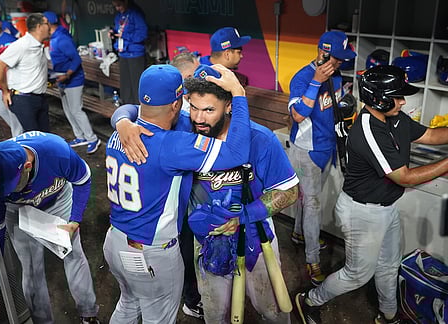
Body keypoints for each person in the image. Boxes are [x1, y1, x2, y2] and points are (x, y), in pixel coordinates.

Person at [112, 64, 300, 323]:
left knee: (272, 311)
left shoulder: (260, 140)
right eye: (194, 108)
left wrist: (244, 215)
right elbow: (137, 108)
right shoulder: (182, 130)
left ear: (229, 105)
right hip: (206, 244)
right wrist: (122, 121)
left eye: (210, 110)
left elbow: (289, 191)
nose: (199, 118)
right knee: (214, 315)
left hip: (257, 241)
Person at [295, 65, 448, 324]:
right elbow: (403, 176)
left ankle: (388, 316)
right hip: (361, 212)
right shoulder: (367, 129)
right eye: (397, 96)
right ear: (379, 99)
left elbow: (431, 135)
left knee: (389, 266)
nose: (402, 101)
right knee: (357, 274)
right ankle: (310, 300)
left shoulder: (397, 118)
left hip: (386, 207)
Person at [0, 132, 100, 324]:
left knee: (73, 253)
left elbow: (83, 181)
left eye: (11, 185)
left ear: (27, 166)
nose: (8, 189)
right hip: (18, 209)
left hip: (58, 199)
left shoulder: (57, 151)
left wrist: (75, 220)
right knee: (31, 267)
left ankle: (88, 314)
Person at [288, 30, 356, 286]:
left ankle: (299, 234)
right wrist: (316, 80)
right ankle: (312, 260)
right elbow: (297, 115)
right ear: (322, 52)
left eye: (342, 59)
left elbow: (333, 109)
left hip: (328, 148)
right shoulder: (303, 77)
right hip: (307, 151)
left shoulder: (336, 75)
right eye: (336, 58)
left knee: (309, 200)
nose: (339, 63)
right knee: (313, 206)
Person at [169, 51, 204, 319]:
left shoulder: (189, 111)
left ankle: (192, 295)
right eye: (195, 74)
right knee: (185, 248)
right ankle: (191, 299)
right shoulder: (174, 116)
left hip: (191, 195)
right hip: (178, 199)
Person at [44, 11, 101, 154]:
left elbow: (76, 59)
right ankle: (80, 137)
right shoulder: (54, 37)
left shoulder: (62, 38)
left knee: (76, 110)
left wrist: (68, 74)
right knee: (69, 111)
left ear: (49, 24)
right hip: (62, 79)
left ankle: (92, 138)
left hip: (73, 80)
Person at [0, 13, 51, 132]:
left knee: (45, 137)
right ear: (39, 27)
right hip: (24, 100)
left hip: (40, 98)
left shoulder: (39, 45)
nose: (50, 27)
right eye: (47, 24)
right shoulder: (22, 45)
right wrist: (5, 92)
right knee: (31, 139)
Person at [111, 0, 148, 104]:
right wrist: (113, 32)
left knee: (136, 86)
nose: (117, 8)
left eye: (119, 5)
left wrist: (124, 36)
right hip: (123, 53)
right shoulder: (119, 15)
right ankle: (127, 109)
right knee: (125, 86)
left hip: (135, 54)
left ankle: (139, 111)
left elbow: (142, 34)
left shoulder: (136, 13)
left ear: (126, 2)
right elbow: (118, 30)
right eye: (115, 6)